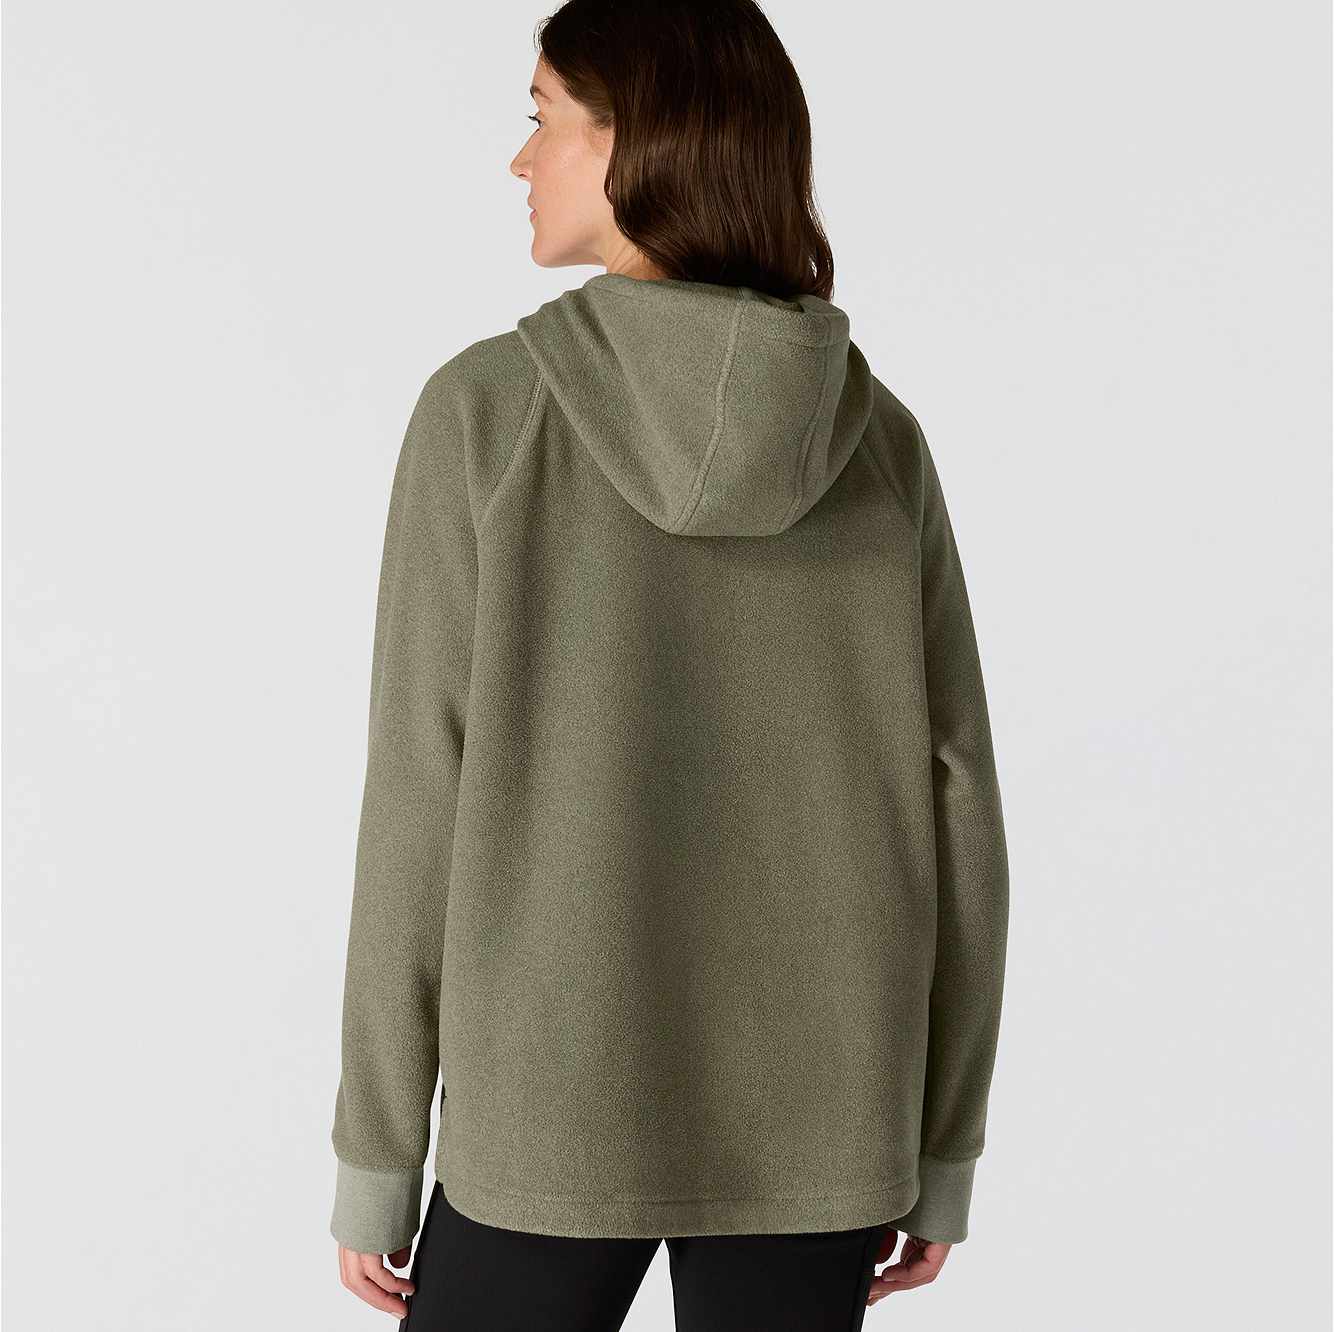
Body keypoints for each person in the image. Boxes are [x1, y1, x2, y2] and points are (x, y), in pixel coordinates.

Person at [329, 2, 1011, 1327]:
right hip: (826, 1116)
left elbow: (419, 793)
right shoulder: (875, 438)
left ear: (636, 138)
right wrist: (940, 1150)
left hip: (547, 1108)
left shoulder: (486, 414)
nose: (519, 159)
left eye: (542, 117)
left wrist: (377, 1153)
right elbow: (959, 807)